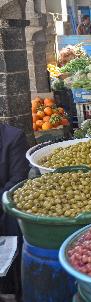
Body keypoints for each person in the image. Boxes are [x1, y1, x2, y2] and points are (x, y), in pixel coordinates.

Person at [0, 124, 29, 298]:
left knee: (11, 219)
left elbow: (16, 183)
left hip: (4, 210)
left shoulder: (13, 137)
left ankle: (10, 289)